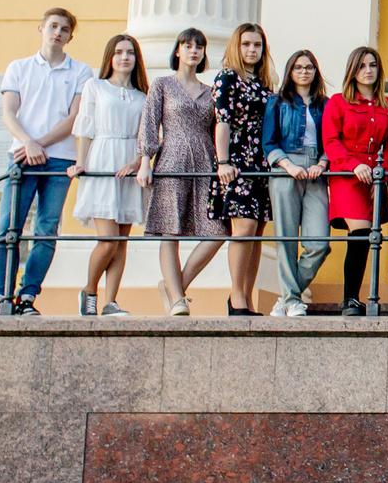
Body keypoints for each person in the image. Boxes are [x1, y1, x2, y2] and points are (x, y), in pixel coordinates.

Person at [0, 8, 93, 314]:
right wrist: (28, 143)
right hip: (22, 158)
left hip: (58, 159)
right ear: (40, 29)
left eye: (64, 29)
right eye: (52, 26)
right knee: (8, 228)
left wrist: (39, 144)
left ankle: (28, 296)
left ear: (70, 36)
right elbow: (9, 112)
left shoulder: (81, 71)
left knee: (47, 228)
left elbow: (74, 118)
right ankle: (2, 296)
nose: (57, 33)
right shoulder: (19, 67)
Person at [141, 29, 225, 315]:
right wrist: (144, 161)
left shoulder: (210, 90)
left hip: (205, 161)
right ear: (177, 50)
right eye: (188, 45)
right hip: (172, 159)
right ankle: (177, 298)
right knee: (170, 229)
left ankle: (175, 286)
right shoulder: (162, 84)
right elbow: (150, 124)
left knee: (218, 230)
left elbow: (219, 129)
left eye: (199, 46)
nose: (194, 51)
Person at [70, 32, 148, 317]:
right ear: (110, 57)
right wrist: (80, 162)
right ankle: (89, 291)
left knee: (122, 242)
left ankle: (110, 301)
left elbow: (147, 136)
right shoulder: (96, 86)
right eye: (118, 52)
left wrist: (138, 161)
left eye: (129, 52)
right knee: (108, 240)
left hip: (129, 167)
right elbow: (85, 126)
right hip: (103, 161)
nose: (124, 57)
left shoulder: (143, 95)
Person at [207, 24, 276, 316]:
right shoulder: (227, 77)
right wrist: (223, 162)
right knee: (244, 228)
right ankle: (235, 297)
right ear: (237, 46)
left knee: (257, 231)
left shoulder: (263, 83)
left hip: (261, 163)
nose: (251, 50)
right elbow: (221, 122)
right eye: (246, 44)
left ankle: (247, 298)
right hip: (236, 162)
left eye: (257, 45)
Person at [323, 46, 388, 316]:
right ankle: (351, 298)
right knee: (362, 233)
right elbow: (330, 141)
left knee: (370, 236)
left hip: (375, 177)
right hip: (347, 175)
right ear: (353, 70)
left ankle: (362, 297)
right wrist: (354, 165)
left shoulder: (387, 104)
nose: (368, 71)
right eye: (362, 66)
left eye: (373, 65)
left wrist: (382, 173)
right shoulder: (338, 102)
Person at [263, 50, 333, 316]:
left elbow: (331, 140)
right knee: (287, 238)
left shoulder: (324, 104)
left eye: (310, 67)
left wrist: (322, 164)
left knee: (319, 244)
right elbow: (268, 142)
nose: (304, 72)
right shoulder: (277, 102)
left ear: (316, 72)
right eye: (299, 67)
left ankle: (286, 297)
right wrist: (288, 165)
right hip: (284, 170)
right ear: (290, 71)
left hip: (316, 172)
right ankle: (292, 301)